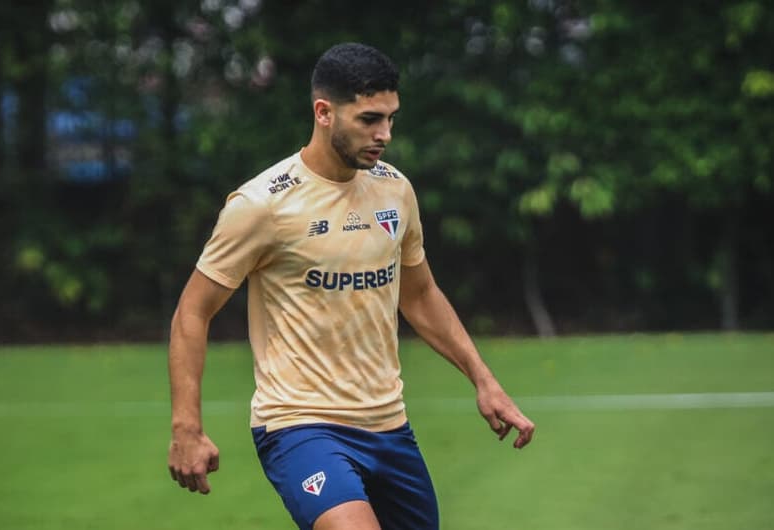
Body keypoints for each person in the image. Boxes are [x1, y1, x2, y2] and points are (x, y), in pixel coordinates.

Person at [167, 42, 535, 530]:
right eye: (369, 119)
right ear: (324, 112)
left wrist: (484, 381)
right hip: (300, 425)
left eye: (390, 118)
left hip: (389, 426)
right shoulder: (261, 205)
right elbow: (192, 312)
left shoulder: (395, 190)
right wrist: (186, 428)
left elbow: (420, 294)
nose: (384, 133)